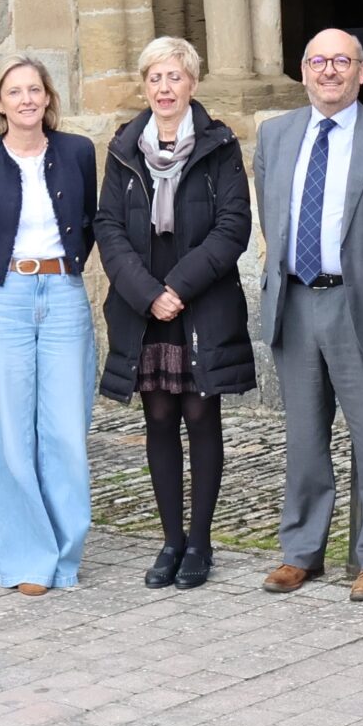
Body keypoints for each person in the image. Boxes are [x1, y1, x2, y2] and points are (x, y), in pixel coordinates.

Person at [253, 28, 363, 602]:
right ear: (303, 70)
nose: (329, 71)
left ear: (362, 72)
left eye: (342, 61)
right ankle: (300, 550)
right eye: (318, 61)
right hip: (294, 300)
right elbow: (271, 212)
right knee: (302, 435)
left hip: (359, 299)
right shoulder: (275, 134)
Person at [95, 35, 255, 590]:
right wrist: (148, 294)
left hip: (199, 304)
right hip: (143, 309)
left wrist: (178, 289)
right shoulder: (123, 147)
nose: (165, 88)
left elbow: (233, 226)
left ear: (192, 82)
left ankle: (200, 543)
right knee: (158, 419)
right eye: (155, 78)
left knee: (200, 417)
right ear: (145, 86)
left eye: (175, 77)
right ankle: (170, 541)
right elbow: (108, 227)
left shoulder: (220, 145)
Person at [0, 55, 98, 596]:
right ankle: (29, 560)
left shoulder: (78, 151)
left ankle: (66, 555)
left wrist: (64, 272)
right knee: (12, 437)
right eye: (15, 92)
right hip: (1, 297)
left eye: (35, 90)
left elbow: (88, 223)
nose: (27, 100)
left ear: (48, 98)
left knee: (65, 432)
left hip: (63, 294)